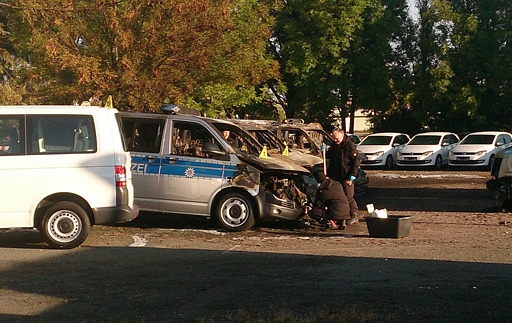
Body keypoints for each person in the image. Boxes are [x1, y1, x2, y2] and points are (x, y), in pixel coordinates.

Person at [326, 128, 361, 225]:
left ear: (342, 135)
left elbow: (356, 162)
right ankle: (342, 216)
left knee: (348, 196)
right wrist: (324, 152)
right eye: (333, 138)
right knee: (338, 196)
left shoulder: (349, 145)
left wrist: (352, 176)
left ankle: (354, 215)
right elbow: (328, 158)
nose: (335, 140)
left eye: (337, 138)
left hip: (347, 175)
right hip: (336, 175)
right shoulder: (333, 146)